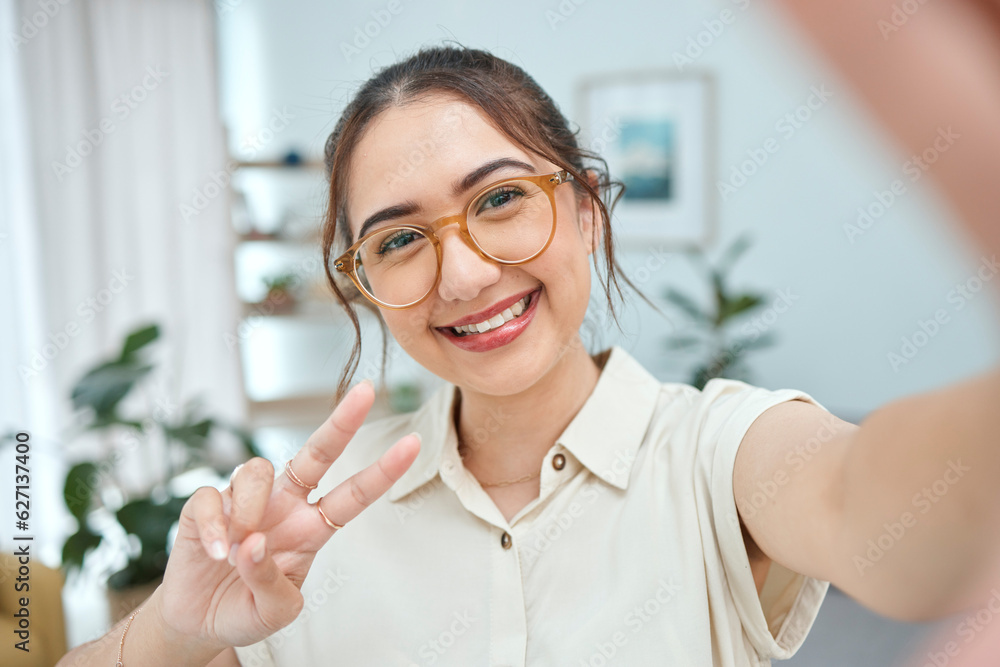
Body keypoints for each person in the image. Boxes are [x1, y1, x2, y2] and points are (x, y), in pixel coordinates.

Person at [57, 41, 1000, 667]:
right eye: (397, 239)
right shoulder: (305, 526)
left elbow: (872, 500)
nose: (463, 275)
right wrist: (173, 634)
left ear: (586, 209)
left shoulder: (717, 451)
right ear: (362, 282)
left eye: (502, 198)